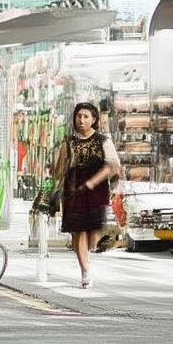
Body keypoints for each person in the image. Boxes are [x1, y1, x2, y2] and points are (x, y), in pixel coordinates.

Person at [53, 102, 121, 289]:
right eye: (78, 116)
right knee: (79, 231)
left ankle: (88, 252)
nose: (81, 120)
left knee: (94, 232)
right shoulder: (68, 142)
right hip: (74, 190)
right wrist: (55, 188)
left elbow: (114, 166)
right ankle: (85, 271)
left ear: (94, 120)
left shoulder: (103, 140)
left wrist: (93, 182)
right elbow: (59, 170)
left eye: (85, 116)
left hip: (97, 192)